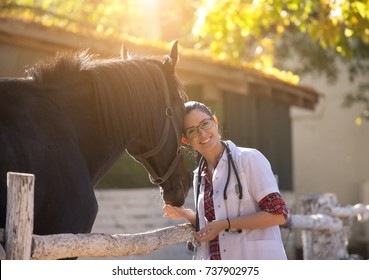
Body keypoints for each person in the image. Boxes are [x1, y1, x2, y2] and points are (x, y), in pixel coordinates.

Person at [163, 101, 288, 260]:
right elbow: (216, 221)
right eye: (192, 131)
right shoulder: (199, 176)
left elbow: (278, 215)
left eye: (205, 124)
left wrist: (226, 224)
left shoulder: (248, 159)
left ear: (215, 122)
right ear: (186, 140)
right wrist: (189, 215)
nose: (202, 133)